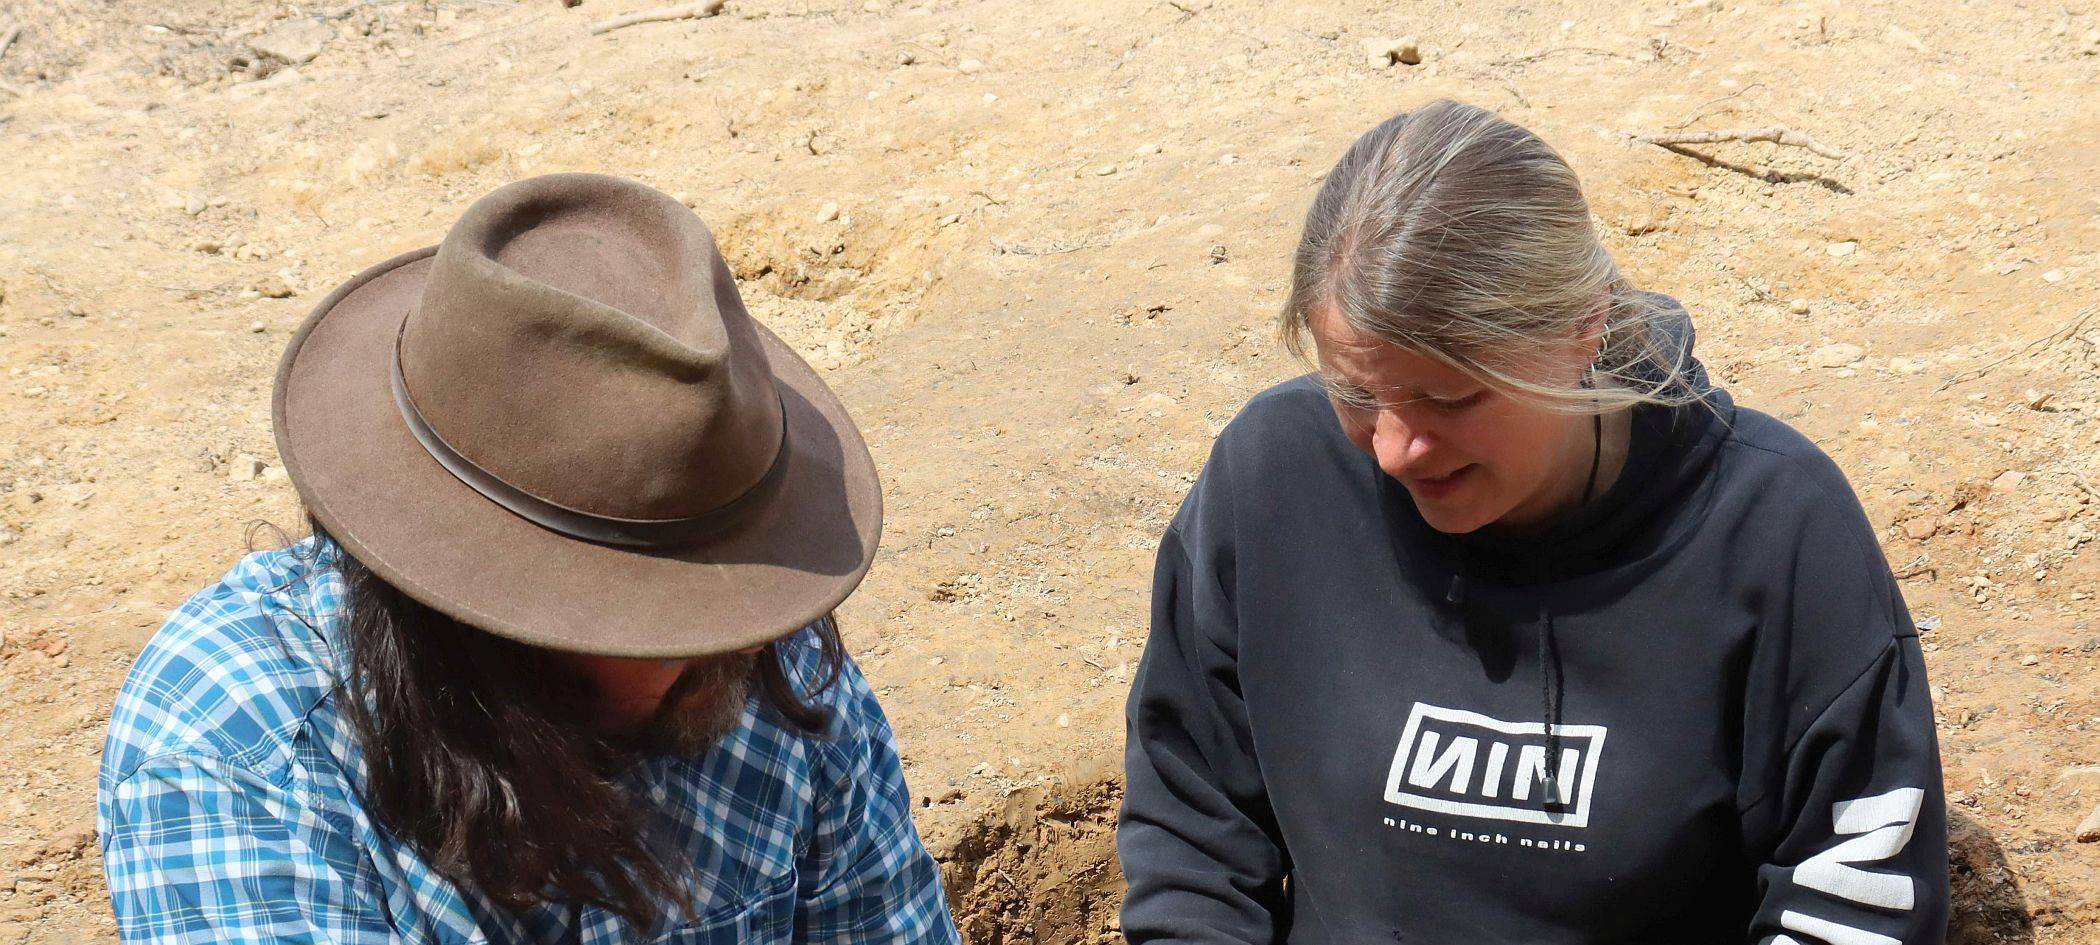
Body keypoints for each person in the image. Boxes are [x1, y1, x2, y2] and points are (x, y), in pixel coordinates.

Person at [1118, 101, 1948, 944]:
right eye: (1359, 393)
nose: (1398, 448)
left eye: (1451, 396)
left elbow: (1852, 905)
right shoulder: (1274, 484)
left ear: (1583, 324)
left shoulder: (1773, 533)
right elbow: (1193, 829)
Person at [97, 173, 961, 944]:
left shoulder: (778, 668)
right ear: (473, 609)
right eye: (663, 611)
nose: (736, 640)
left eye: (727, 582)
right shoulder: (241, 759)